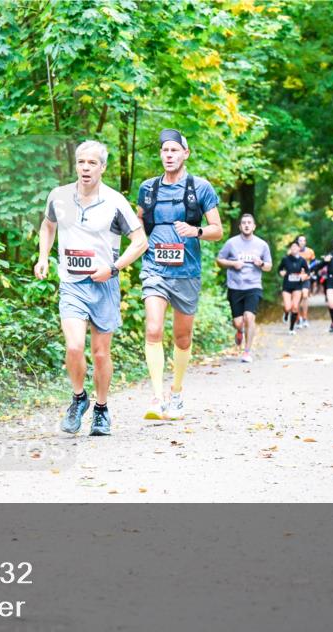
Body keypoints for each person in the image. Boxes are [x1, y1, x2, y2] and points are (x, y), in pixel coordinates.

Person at [34, 140, 148, 435]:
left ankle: (101, 408)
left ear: (103, 167)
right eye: (81, 162)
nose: (86, 168)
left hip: (104, 285)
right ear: (76, 164)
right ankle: (78, 398)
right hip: (71, 283)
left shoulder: (115, 202)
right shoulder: (59, 196)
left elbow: (140, 242)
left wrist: (113, 267)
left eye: (92, 163)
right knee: (74, 346)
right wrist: (43, 257)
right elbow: (48, 226)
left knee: (99, 353)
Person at [136, 129, 223, 420]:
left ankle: (176, 392)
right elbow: (137, 226)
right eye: (165, 151)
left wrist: (196, 230)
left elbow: (217, 230)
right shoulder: (148, 189)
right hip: (154, 268)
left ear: (186, 153)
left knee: (182, 338)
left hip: (187, 271)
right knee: (153, 329)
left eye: (174, 150)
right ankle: (157, 397)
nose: (169, 155)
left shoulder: (200, 188)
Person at [216, 213, 272, 363]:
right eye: (244, 223)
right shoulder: (231, 243)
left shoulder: (262, 245)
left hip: (253, 286)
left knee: (249, 317)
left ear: (254, 226)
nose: (247, 225)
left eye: (249, 223)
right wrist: (233, 264)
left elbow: (269, 266)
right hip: (235, 286)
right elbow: (219, 260)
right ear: (240, 227)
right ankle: (239, 330)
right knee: (238, 322)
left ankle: (247, 352)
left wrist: (260, 263)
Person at [277, 241, 309, 335]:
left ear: (299, 249)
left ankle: (291, 329)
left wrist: (304, 276)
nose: (294, 249)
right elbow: (279, 269)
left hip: (297, 286)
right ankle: (286, 313)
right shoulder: (285, 259)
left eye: (296, 247)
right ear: (290, 249)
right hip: (287, 285)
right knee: (288, 307)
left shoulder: (302, 260)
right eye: (292, 247)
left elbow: (308, 271)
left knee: (295, 307)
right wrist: (281, 272)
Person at [295, 234, 316, 327]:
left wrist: (311, 270)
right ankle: (298, 319)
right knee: (297, 298)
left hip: (306, 277)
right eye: (300, 240)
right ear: (297, 242)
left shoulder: (310, 251)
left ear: (305, 242)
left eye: (303, 240)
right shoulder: (293, 251)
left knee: (305, 295)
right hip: (296, 278)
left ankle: (305, 318)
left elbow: (314, 262)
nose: (302, 242)